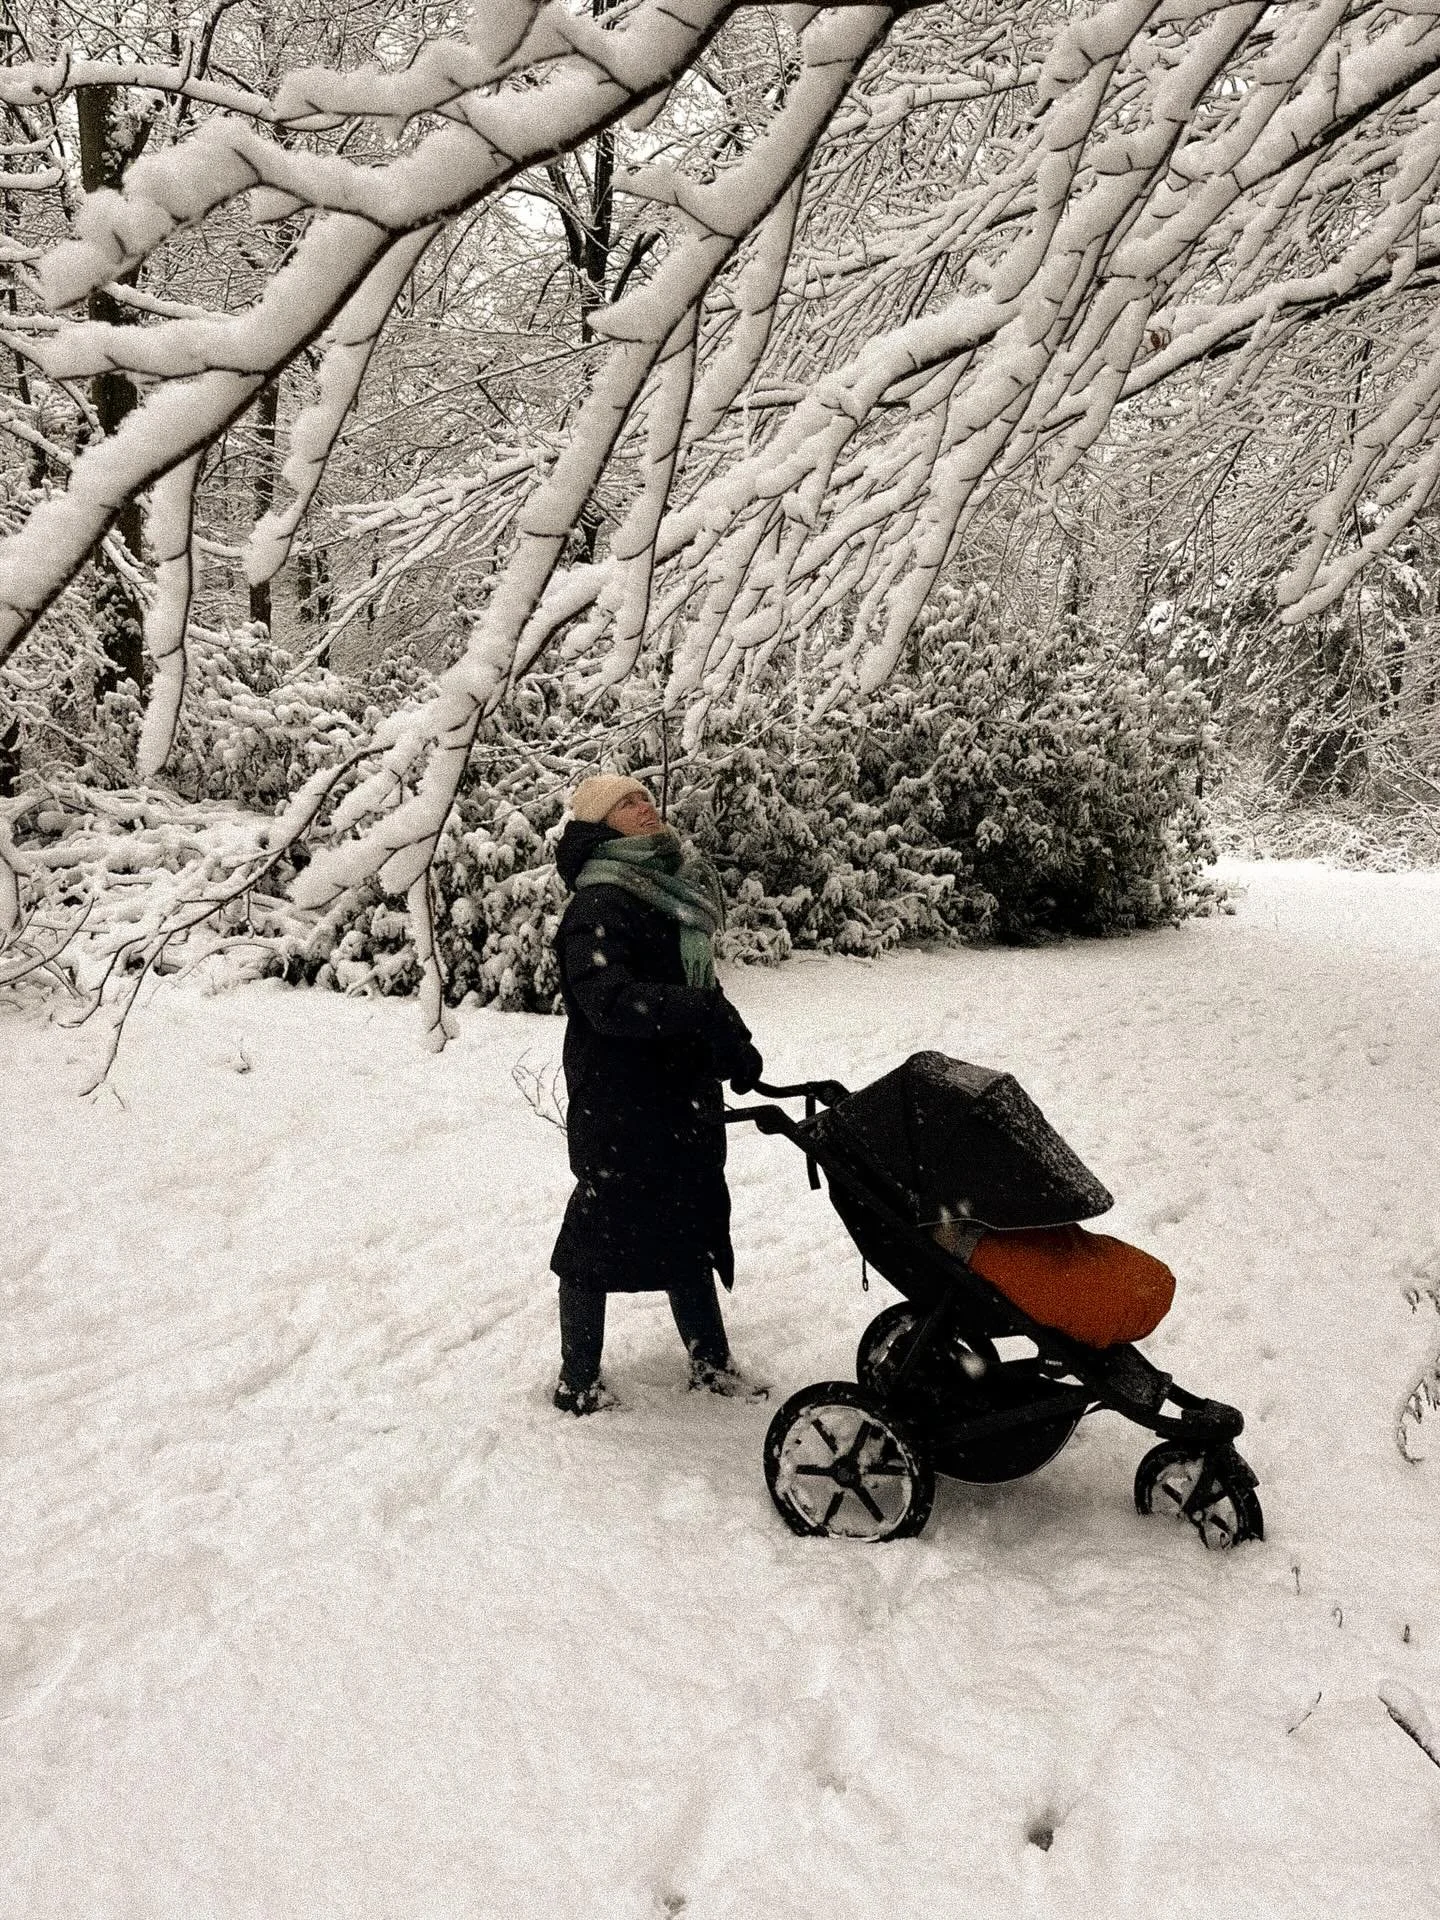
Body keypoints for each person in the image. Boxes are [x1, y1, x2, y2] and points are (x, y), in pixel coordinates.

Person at [549, 773, 766, 1414]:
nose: (646, 806)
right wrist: (700, 1014)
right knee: (596, 1234)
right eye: (627, 801)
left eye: (646, 796)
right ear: (599, 822)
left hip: (679, 1092)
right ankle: (577, 1381)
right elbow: (608, 1002)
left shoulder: (664, 893)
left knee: (688, 1219)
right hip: (619, 1097)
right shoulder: (598, 904)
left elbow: (696, 986)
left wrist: (734, 1045)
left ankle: (711, 1362)